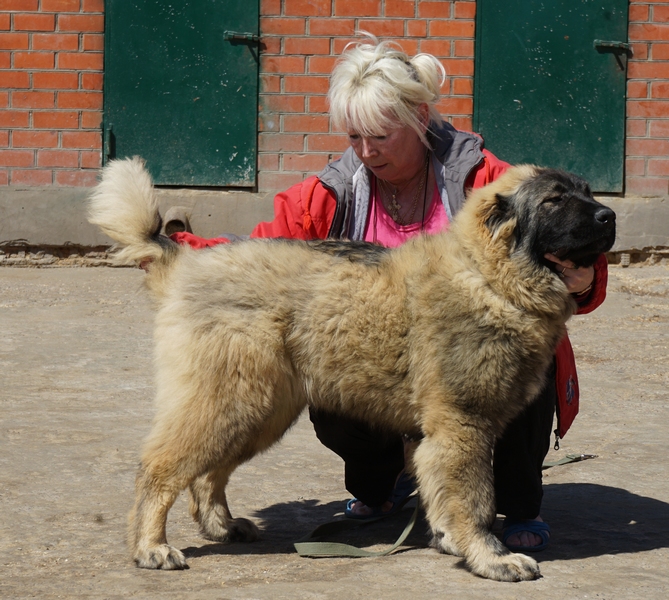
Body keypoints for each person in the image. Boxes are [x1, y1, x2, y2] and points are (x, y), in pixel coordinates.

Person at [166, 37, 608, 552]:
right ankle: (387, 484)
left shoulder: (483, 177)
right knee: (331, 369)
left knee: (522, 363)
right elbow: (263, 252)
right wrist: (179, 252)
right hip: (392, 361)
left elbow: (562, 243)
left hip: (476, 351)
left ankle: (514, 504)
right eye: (354, 137)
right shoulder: (333, 189)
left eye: (379, 135)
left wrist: (585, 280)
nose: (366, 151)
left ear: (419, 116)